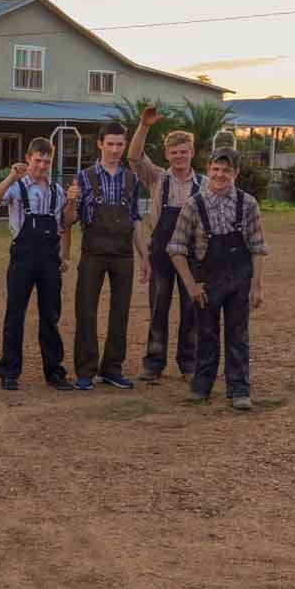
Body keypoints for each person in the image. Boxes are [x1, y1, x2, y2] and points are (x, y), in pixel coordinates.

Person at [167, 149, 268, 412]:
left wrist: (256, 286)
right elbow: (176, 248)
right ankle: (202, 386)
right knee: (206, 334)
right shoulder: (193, 205)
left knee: (238, 334)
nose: (220, 175)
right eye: (215, 169)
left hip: (239, 279)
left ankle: (239, 389)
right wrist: (190, 285)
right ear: (208, 170)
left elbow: (258, 247)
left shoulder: (248, 204)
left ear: (236, 173)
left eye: (226, 170)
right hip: (207, 281)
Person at [0, 138, 81, 391]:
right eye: (37, 160)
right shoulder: (17, 187)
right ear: (28, 159)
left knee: (50, 316)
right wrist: (10, 177)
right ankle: (9, 372)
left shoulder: (57, 191)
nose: (41, 166)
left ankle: (54, 372)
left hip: (49, 261)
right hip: (22, 258)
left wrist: (65, 255)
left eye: (47, 161)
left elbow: (66, 223)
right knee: (15, 315)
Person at [126, 105, 203, 384]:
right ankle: (153, 362)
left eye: (183, 151)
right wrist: (144, 126)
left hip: (193, 255)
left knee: (192, 309)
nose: (179, 156)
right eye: (174, 152)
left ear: (192, 152)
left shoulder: (205, 185)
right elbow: (134, 157)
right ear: (167, 155)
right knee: (158, 308)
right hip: (160, 252)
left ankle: (190, 363)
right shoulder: (157, 178)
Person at [71, 121, 149, 390]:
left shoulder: (131, 178)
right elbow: (71, 218)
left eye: (120, 144)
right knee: (86, 310)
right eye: (110, 144)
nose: (115, 150)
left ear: (125, 145)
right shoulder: (84, 177)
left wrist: (145, 256)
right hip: (92, 251)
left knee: (120, 311)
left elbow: (135, 218)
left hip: (123, 253)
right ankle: (85, 370)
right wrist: (70, 201)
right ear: (100, 144)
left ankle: (112, 369)